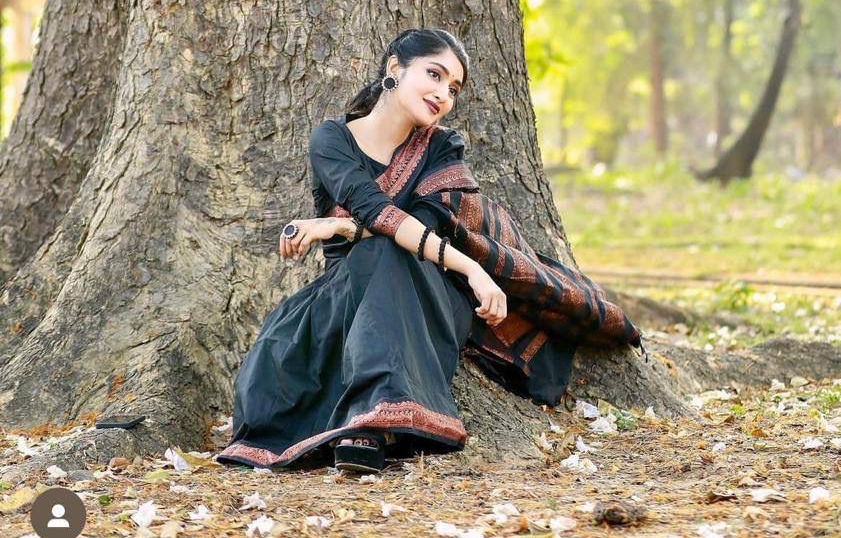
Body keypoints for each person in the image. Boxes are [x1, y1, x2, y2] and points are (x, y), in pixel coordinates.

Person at [214, 28, 643, 474]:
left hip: (427, 295)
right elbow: (377, 212)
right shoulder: (332, 139)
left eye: (453, 88)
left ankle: (374, 424)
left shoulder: (441, 148)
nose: (442, 94)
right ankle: (360, 418)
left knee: (393, 254)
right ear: (395, 68)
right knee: (364, 268)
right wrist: (349, 223)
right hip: (346, 300)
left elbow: (424, 226)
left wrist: (473, 271)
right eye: (434, 75)